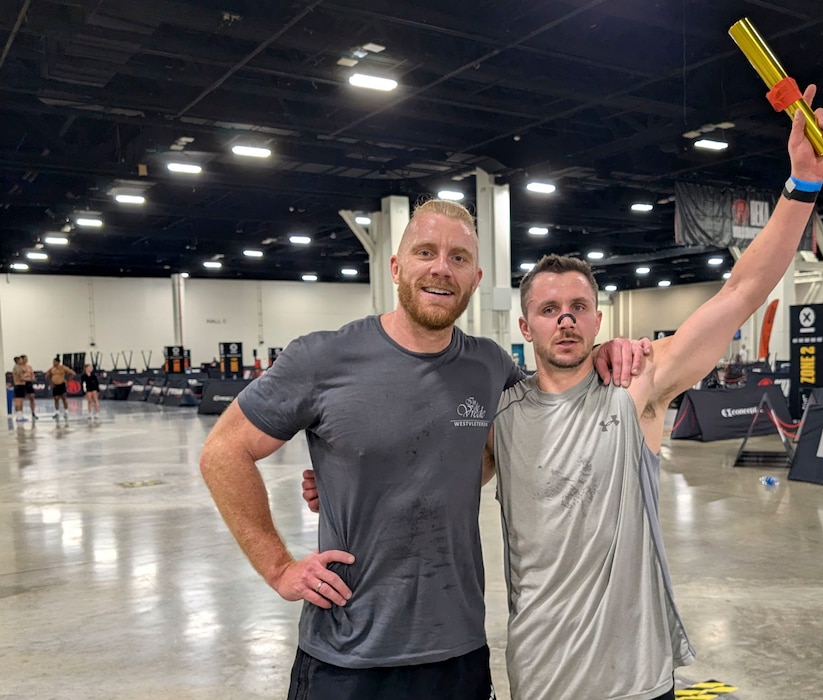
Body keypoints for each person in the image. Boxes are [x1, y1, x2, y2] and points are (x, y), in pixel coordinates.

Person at [199, 198, 648, 700]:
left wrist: (607, 350)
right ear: (396, 267)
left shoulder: (489, 366)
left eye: (459, 258)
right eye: (425, 252)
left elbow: (520, 433)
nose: (441, 268)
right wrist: (279, 567)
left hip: (458, 655)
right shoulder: (323, 357)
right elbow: (223, 451)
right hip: (348, 657)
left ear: (476, 279)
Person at [481, 86, 823, 700]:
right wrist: (340, 481)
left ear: (599, 320)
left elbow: (739, 293)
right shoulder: (502, 415)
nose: (564, 320)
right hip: (540, 677)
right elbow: (432, 485)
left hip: (636, 678)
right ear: (524, 327)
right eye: (548, 309)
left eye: (578, 308)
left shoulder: (636, 385)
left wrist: (802, 183)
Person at [11, 356, 30, 422]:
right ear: (18, 361)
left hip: (19, 386)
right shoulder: (18, 368)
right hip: (19, 385)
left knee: (20, 401)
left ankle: (20, 416)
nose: (22, 361)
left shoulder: (17, 367)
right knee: (19, 401)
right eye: (21, 360)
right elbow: (21, 378)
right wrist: (28, 378)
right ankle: (19, 417)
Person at [21, 354, 38, 420]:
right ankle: (20, 414)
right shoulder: (20, 367)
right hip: (22, 383)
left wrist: (32, 378)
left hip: (29, 383)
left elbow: (32, 374)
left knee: (32, 398)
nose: (26, 360)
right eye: (25, 358)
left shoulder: (29, 367)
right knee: (21, 399)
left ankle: (33, 413)